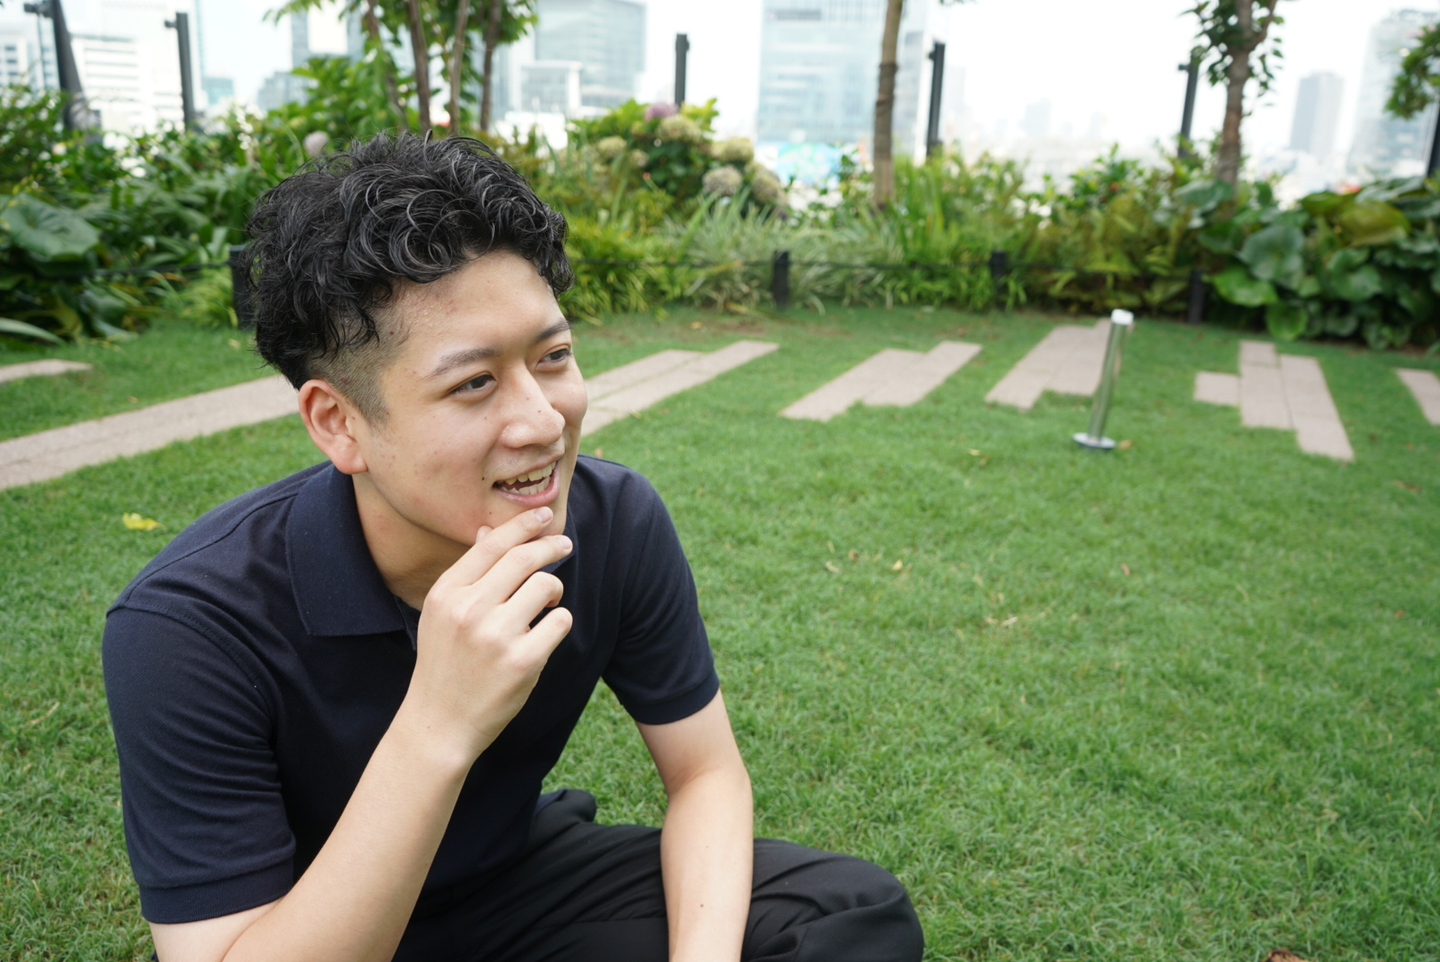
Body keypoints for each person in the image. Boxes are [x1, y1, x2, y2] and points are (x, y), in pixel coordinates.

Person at [103, 133, 924, 962]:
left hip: (514, 888)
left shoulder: (612, 522)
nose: (543, 420)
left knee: (844, 912)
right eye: (474, 382)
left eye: (553, 356)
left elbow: (706, 774)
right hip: (316, 923)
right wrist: (437, 722)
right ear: (339, 423)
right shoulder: (188, 627)